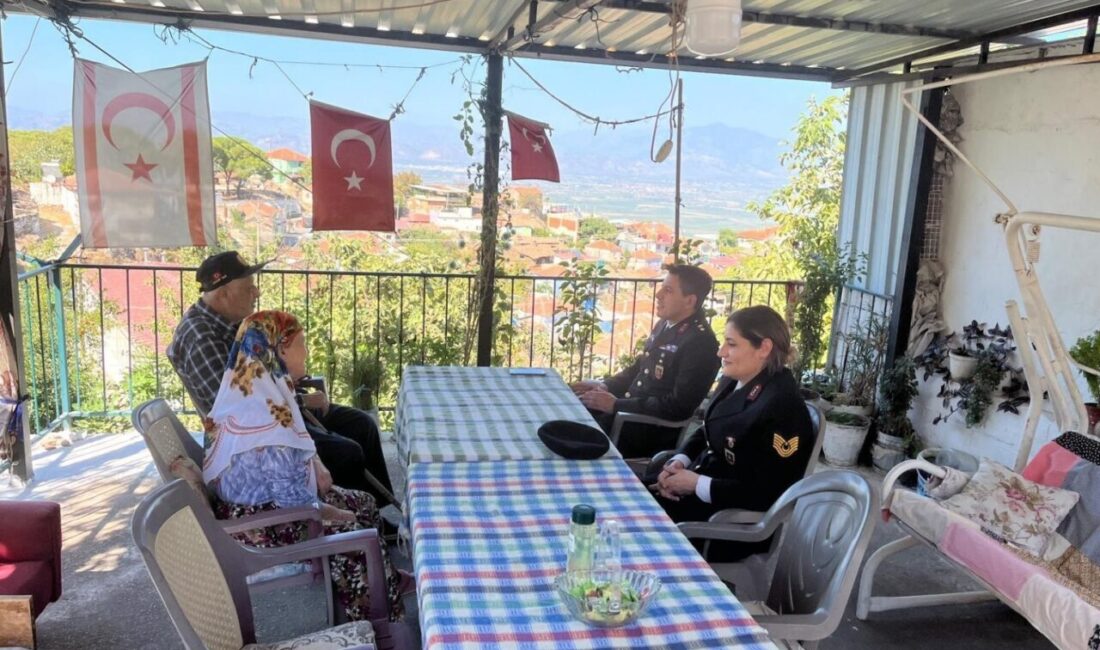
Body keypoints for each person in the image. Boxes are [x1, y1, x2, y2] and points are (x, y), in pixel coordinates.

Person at [203, 311, 406, 621]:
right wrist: (330, 509)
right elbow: (291, 497)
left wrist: (318, 474)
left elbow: (291, 465)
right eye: (302, 344)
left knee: (363, 503)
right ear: (279, 350)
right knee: (352, 528)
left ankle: (385, 580)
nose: (307, 352)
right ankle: (372, 617)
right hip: (261, 519)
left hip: (265, 503)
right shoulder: (262, 417)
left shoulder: (257, 389)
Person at [167, 251, 394, 504]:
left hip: (279, 412)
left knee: (361, 424)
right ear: (223, 294)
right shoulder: (201, 337)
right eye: (248, 288)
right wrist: (301, 402)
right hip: (257, 440)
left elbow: (259, 376)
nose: (256, 293)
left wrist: (292, 388)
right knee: (346, 453)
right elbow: (238, 408)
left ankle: (377, 516)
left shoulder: (228, 322)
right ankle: (346, 519)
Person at [651, 305, 815, 560]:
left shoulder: (782, 406)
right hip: (701, 495)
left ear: (764, 348)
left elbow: (770, 492)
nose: (721, 352)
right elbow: (707, 429)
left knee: (636, 527)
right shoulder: (734, 378)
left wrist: (697, 484)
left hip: (728, 524)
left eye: (732, 344)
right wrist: (678, 461)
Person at [570, 265, 721, 458]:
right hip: (625, 416)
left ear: (689, 301)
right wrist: (604, 386)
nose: (658, 295)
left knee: (569, 433)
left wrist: (616, 405)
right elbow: (638, 369)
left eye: (668, 290)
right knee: (569, 406)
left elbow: (679, 406)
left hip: (642, 430)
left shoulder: (700, 343)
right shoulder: (665, 324)